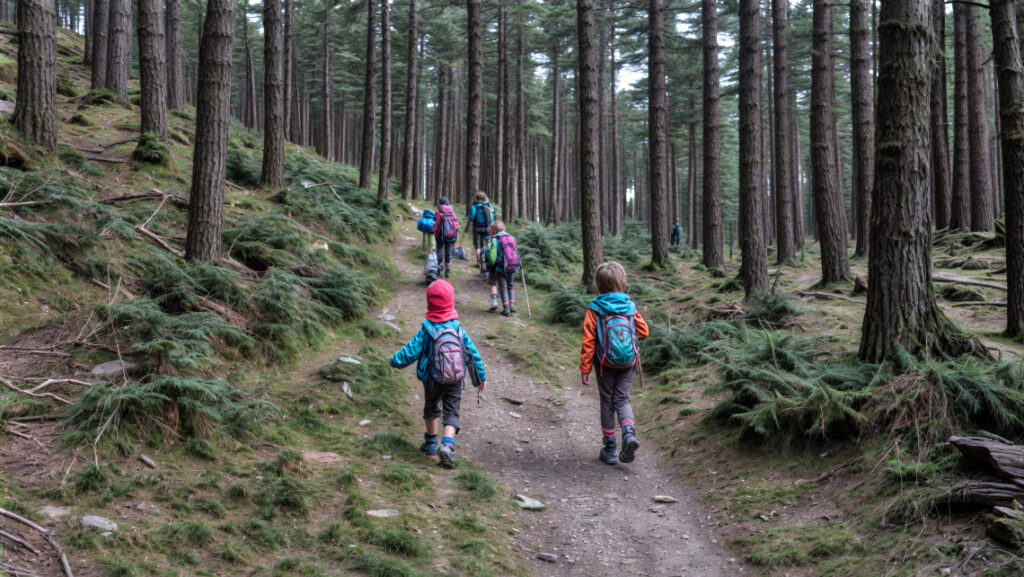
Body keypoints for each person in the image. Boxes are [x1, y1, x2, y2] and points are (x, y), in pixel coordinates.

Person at [390, 280, 486, 469]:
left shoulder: (426, 331)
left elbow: (410, 351)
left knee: (431, 407)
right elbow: (473, 355)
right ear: (451, 303)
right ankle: (448, 445)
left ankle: (431, 443)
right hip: (456, 379)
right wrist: (480, 378)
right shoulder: (458, 329)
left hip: (433, 379)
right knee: (452, 411)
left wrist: (395, 361)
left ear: (430, 304)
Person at [579, 261, 649, 465]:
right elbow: (644, 331)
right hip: (628, 362)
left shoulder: (595, 308)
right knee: (623, 399)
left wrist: (585, 368)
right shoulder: (629, 305)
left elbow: (588, 341)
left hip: (604, 363)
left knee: (607, 402)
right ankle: (628, 435)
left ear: (598, 285)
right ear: (621, 282)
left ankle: (609, 448)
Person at [486, 220, 520, 316]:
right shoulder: (511, 238)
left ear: (494, 230)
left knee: (503, 287)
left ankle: (506, 308)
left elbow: (492, 258)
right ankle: (512, 305)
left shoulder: (495, 240)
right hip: (512, 266)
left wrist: (492, 263)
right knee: (510, 285)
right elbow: (516, 252)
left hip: (501, 268)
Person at [468, 191, 494, 275]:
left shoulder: (475, 207)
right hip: (487, 228)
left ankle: (479, 262)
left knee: (478, 245)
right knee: (487, 245)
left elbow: (471, 217)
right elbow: (492, 219)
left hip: (477, 228)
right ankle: (488, 263)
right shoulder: (489, 206)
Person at [433, 198, 460, 278]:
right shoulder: (452, 211)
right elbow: (456, 223)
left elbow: (437, 224)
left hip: (440, 235)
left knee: (440, 250)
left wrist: (435, 232)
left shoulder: (438, 212)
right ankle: (447, 269)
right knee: (448, 250)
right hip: (451, 235)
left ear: (440, 204)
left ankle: (439, 268)